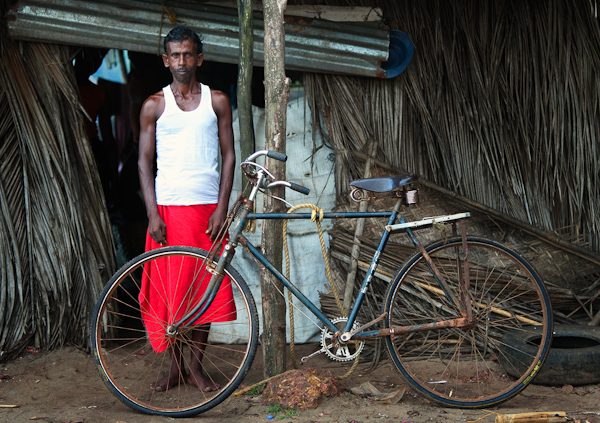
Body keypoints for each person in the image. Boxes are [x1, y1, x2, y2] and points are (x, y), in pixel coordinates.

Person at [137, 25, 236, 392]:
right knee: (172, 292)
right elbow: (144, 163)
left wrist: (222, 206)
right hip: (168, 209)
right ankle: (175, 366)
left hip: (207, 209)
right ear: (166, 60)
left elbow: (229, 156)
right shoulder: (154, 105)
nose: (181, 61)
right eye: (175, 55)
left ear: (199, 58)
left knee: (203, 288)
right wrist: (152, 214)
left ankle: (195, 366)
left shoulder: (218, 101)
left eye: (187, 54)